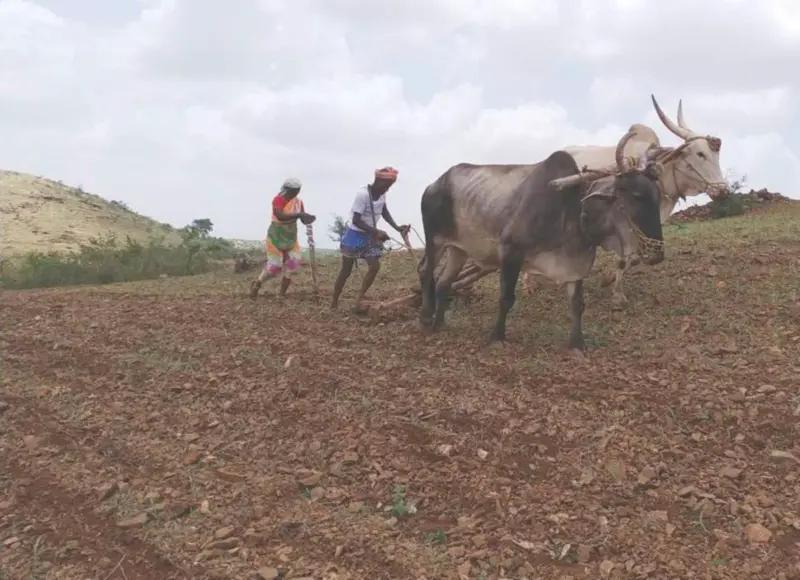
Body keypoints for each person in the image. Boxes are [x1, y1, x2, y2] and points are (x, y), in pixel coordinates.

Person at [330, 166, 410, 312]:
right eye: (386, 186)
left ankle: (359, 297)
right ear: (378, 181)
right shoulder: (362, 195)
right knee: (346, 270)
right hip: (354, 236)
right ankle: (334, 301)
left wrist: (397, 228)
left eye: (390, 186)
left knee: (374, 267)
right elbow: (356, 220)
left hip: (370, 236)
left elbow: (384, 211)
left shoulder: (381, 194)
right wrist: (376, 231)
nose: (387, 189)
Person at [250, 177, 316, 299]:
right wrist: (299, 214)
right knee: (274, 267)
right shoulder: (278, 200)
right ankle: (258, 283)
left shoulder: (299, 202)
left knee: (292, 264)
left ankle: (281, 295)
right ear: (287, 189)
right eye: (294, 190)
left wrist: (307, 218)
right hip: (276, 236)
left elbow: (301, 217)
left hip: (291, 237)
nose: (296, 193)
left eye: (298, 190)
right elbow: (280, 215)